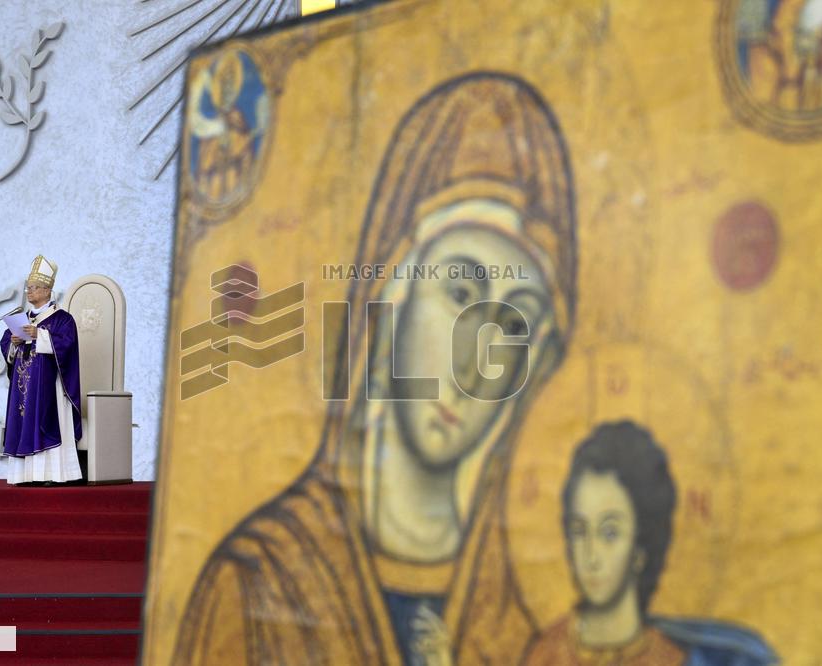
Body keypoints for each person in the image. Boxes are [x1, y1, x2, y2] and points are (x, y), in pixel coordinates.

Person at [175, 73, 578, 665]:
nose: (477, 364)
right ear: (390, 298)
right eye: (462, 293)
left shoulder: (529, 618)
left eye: (516, 323)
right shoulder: (259, 584)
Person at [525, 421, 777, 665]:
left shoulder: (683, 660)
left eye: (609, 533)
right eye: (579, 531)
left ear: (640, 548)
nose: (591, 556)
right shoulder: (548, 655)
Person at [0, 255, 83, 486]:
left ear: (47, 291)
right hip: (24, 386)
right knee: (23, 422)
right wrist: (13, 343)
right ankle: (25, 476)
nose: (29, 292)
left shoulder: (62, 320)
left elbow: (68, 345)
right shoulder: (21, 318)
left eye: (34, 288)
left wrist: (41, 336)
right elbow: (6, 345)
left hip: (50, 387)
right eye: (28, 288)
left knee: (46, 422)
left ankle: (53, 475)